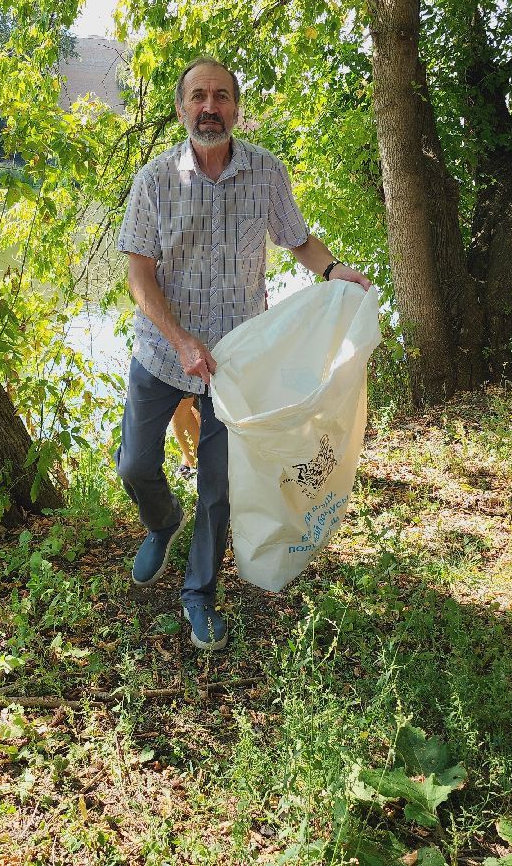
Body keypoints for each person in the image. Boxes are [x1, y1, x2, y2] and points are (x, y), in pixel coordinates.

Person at [115, 57, 371, 651]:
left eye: (222, 97)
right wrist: (181, 341)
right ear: (182, 108)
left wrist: (335, 273)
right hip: (162, 351)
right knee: (134, 465)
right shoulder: (154, 181)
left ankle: (198, 593)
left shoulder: (266, 172)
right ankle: (161, 522)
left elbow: (297, 239)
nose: (211, 107)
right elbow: (138, 274)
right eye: (199, 97)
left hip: (237, 363)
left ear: (236, 106)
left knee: (219, 485)